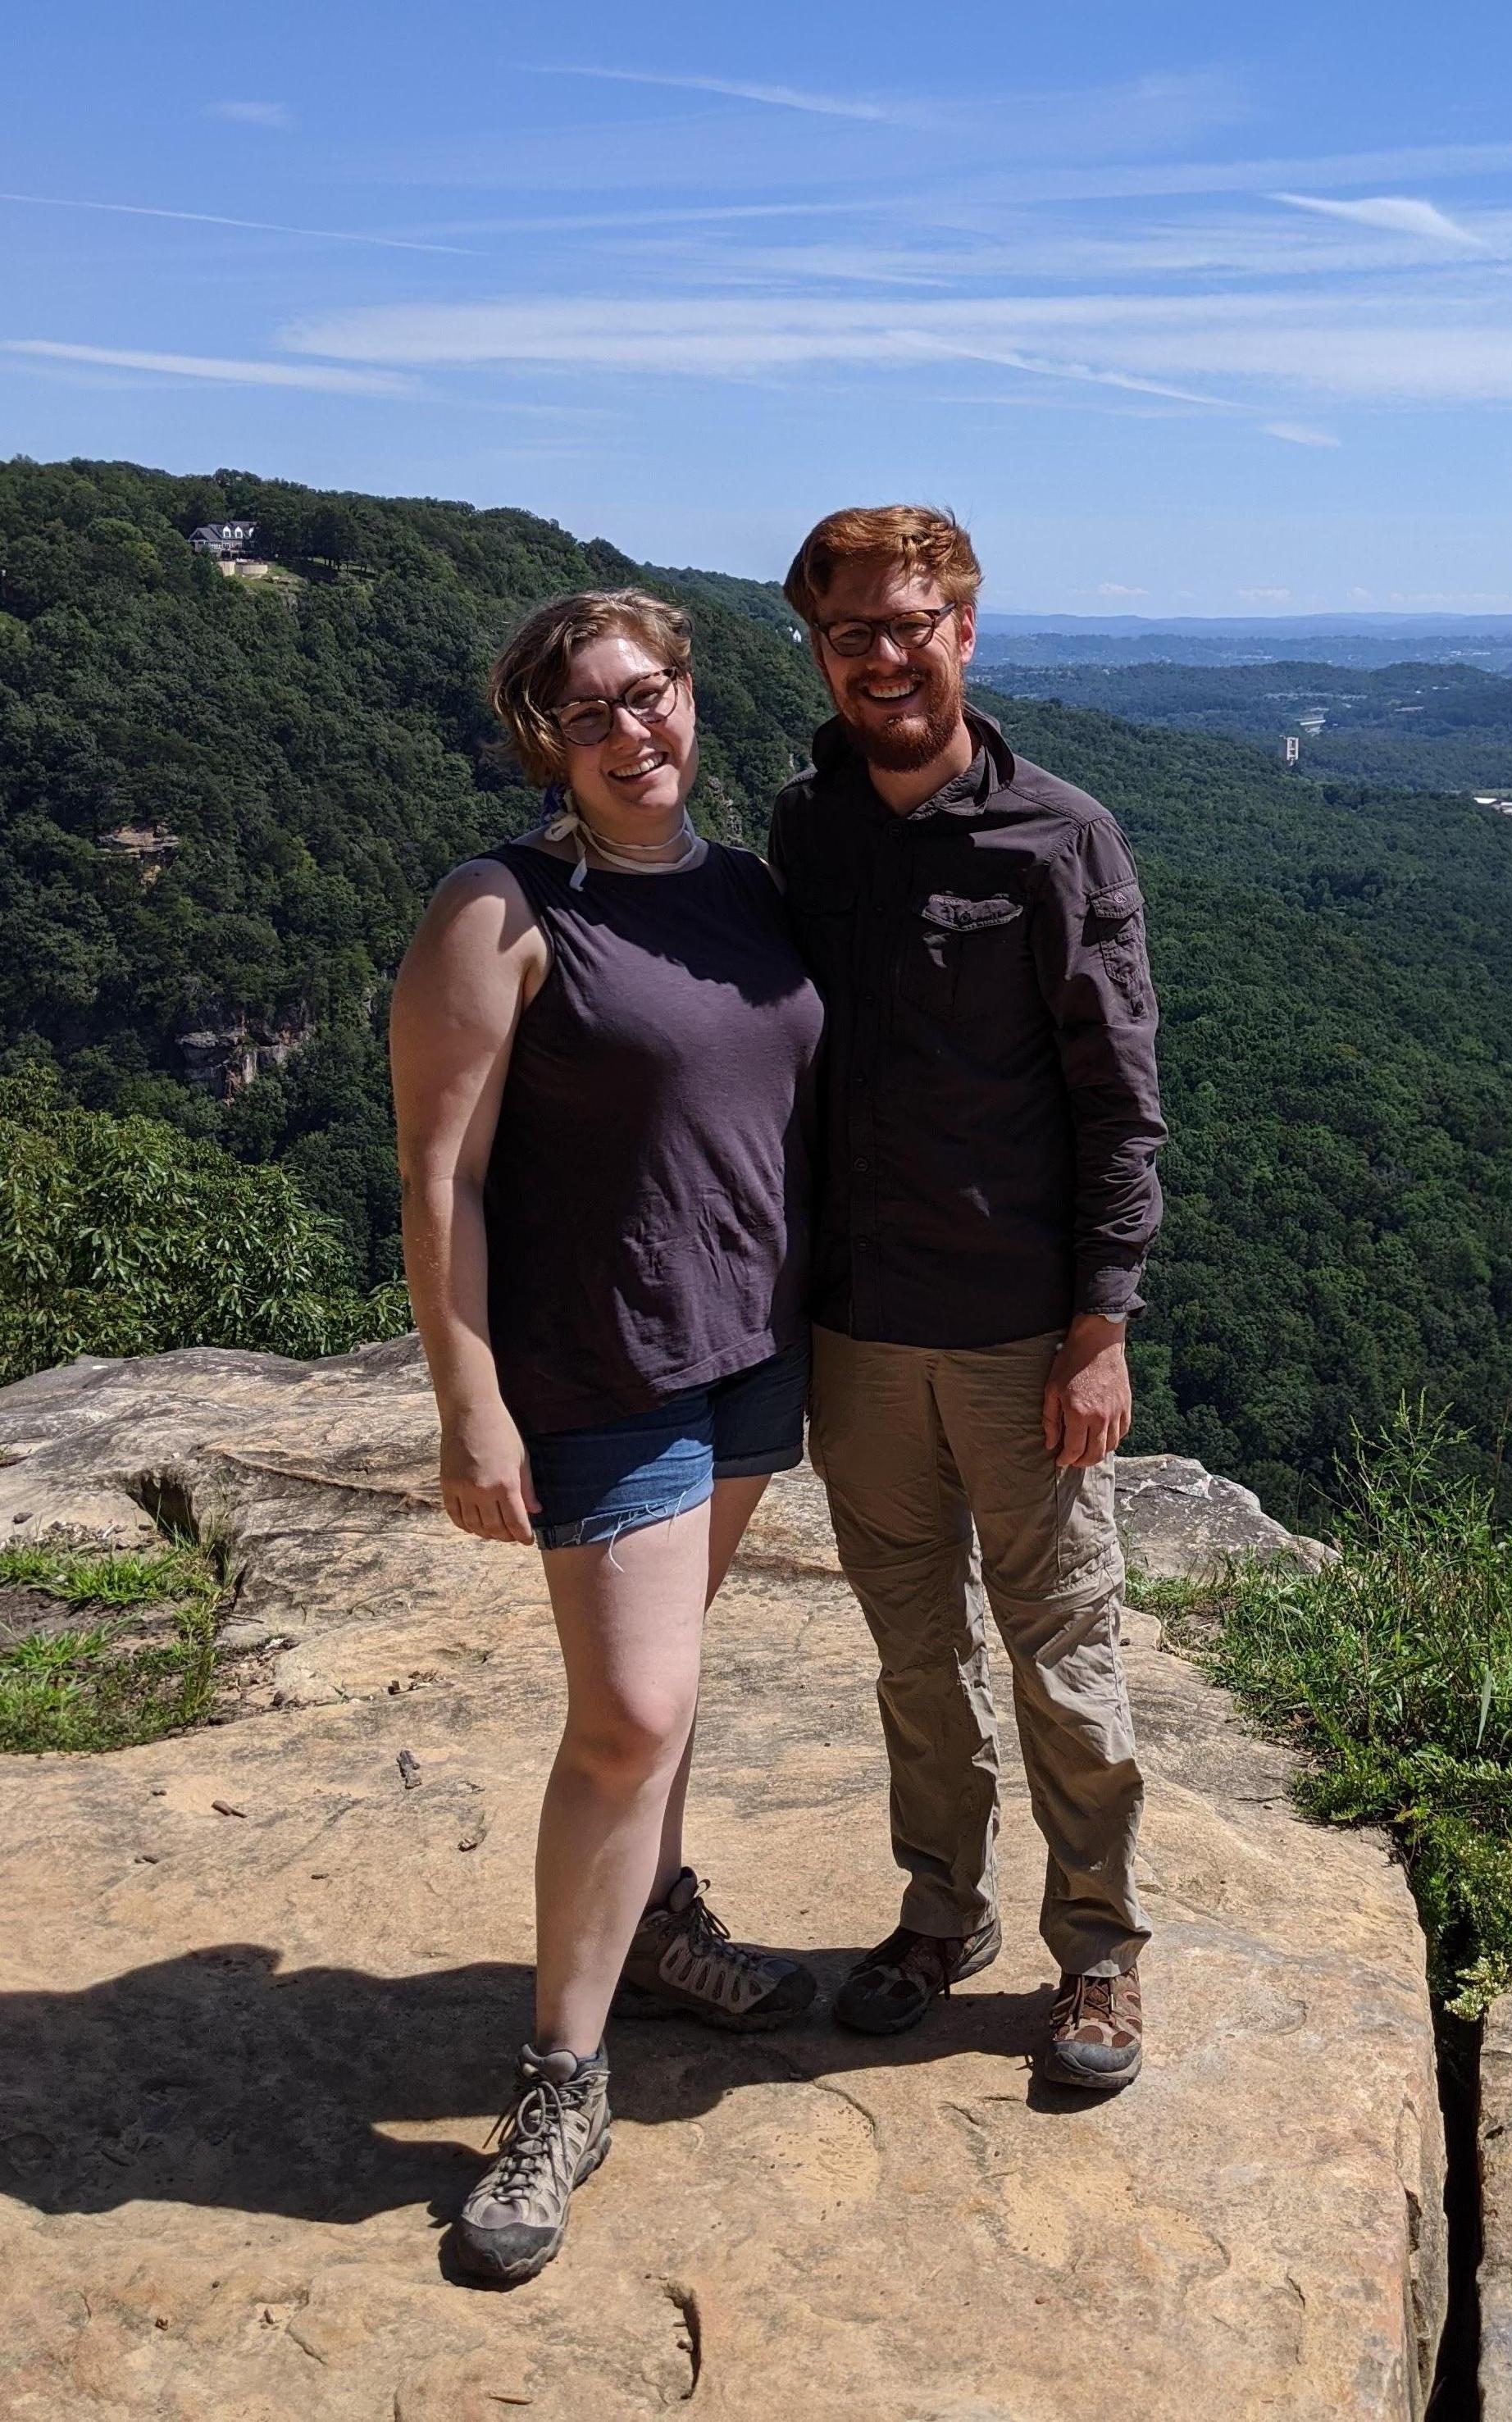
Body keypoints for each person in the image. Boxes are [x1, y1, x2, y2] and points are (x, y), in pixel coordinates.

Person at [389, 589, 826, 2283]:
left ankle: (658, 1926)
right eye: (594, 715)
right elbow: (441, 1174)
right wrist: (469, 1400)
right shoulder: (502, 909)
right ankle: (562, 2080)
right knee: (629, 1712)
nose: (635, 730)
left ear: (690, 697)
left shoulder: (744, 895)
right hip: (602, 1362)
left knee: (672, 1684)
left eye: (652, 694)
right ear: (545, 747)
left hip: (747, 1354)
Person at [767, 506, 1165, 2091]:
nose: (883, 653)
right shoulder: (808, 834)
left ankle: (1100, 1950)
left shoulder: (1060, 838)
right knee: (911, 1652)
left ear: (967, 632)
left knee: (1061, 1649)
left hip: (1019, 1333)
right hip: (857, 1331)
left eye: (910, 621)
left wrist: (1101, 1327)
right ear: (817, 647)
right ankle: (940, 1914)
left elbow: (1120, 1101)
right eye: (851, 628)